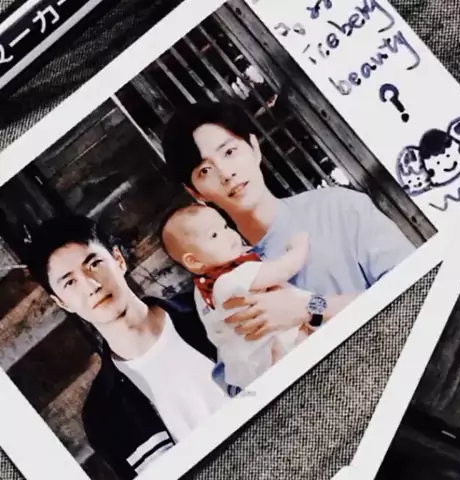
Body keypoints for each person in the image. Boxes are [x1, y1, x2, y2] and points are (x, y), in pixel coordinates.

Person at [162, 100, 416, 340]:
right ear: (196, 193)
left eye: (229, 152)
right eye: (205, 171)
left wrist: (312, 308)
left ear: (254, 148)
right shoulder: (216, 283)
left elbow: (416, 286)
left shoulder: (340, 207)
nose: (226, 173)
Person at [25, 215, 229, 480]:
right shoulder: (103, 415)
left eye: (94, 264)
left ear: (118, 260)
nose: (92, 285)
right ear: (62, 303)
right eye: (70, 282)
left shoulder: (208, 308)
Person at [160, 203, 312, 388]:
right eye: (214, 235)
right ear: (194, 261)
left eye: (225, 226)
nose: (229, 235)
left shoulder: (203, 291)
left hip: (252, 363)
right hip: (273, 351)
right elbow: (283, 269)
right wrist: (298, 246)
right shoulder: (229, 280)